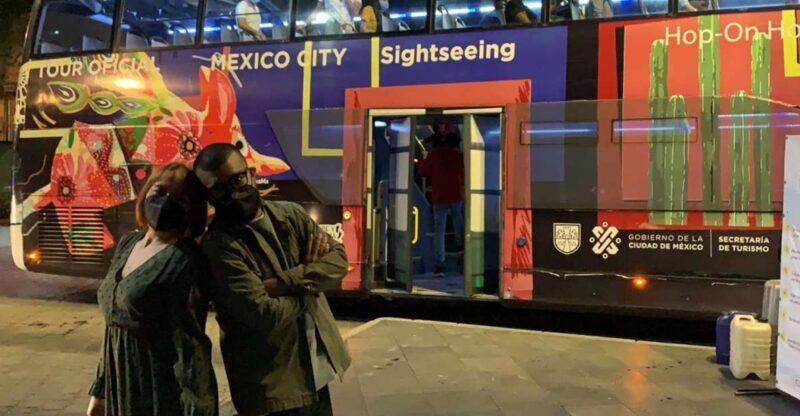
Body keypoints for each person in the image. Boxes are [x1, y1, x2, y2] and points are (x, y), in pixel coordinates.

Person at [193, 143, 351, 416]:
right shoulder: (218, 246)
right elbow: (264, 314)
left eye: (237, 179)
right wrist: (310, 279)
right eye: (219, 189)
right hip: (271, 389)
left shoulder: (290, 215)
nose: (232, 191)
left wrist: (285, 282)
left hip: (316, 370)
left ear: (251, 174)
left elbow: (338, 261)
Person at [86, 163, 218, 416]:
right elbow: (113, 327)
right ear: (145, 191)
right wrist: (100, 392)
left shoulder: (184, 261)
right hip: (119, 387)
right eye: (160, 192)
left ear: (192, 209)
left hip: (158, 392)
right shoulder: (128, 244)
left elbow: (191, 349)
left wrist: (198, 409)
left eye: (180, 199)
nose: (166, 202)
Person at [418, 126, 464, 277]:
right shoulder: (460, 155)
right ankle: (461, 251)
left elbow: (424, 172)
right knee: (458, 223)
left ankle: (440, 262)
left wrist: (423, 159)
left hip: (439, 196)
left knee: (440, 230)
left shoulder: (434, 155)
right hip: (456, 194)